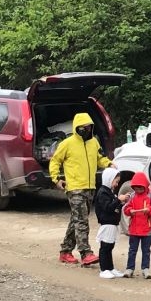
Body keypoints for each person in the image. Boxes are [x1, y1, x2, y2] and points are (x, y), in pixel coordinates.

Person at [50, 111, 111, 267]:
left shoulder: (94, 143)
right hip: (75, 187)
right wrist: (56, 179)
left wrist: (109, 164)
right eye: (83, 127)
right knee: (82, 220)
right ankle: (86, 253)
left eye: (89, 127)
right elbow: (55, 161)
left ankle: (65, 251)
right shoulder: (67, 144)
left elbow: (100, 158)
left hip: (90, 187)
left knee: (76, 220)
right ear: (77, 128)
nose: (87, 130)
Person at [122, 172, 151, 279]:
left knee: (146, 250)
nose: (138, 191)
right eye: (136, 189)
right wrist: (130, 211)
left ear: (145, 186)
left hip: (147, 230)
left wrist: (149, 210)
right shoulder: (132, 196)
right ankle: (130, 269)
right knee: (132, 250)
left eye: (140, 188)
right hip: (134, 229)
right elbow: (126, 209)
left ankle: (145, 269)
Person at [95, 168, 124, 279]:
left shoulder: (110, 193)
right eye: (116, 181)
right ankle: (104, 269)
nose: (116, 184)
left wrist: (121, 202)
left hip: (113, 224)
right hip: (107, 223)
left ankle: (110, 268)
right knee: (105, 247)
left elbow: (114, 207)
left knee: (110, 246)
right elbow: (107, 207)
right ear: (109, 179)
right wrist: (118, 200)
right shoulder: (103, 193)